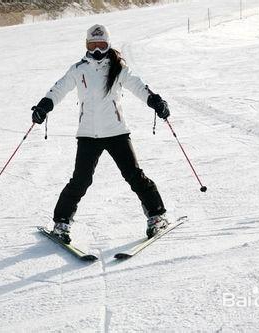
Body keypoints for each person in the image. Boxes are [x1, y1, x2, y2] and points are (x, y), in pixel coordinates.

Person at [31, 24, 171, 244]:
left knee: (134, 175)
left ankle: (157, 216)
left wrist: (156, 101)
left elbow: (138, 86)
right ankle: (61, 223)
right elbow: (58, 89)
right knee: (80, 181)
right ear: (86, 45)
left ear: (108, 45)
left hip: (116, 132)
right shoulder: (78, 69)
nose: (97, 50)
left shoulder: (118, 69)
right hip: (88, 134)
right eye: (92, 45)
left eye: (101, 45)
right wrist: (43, 106)